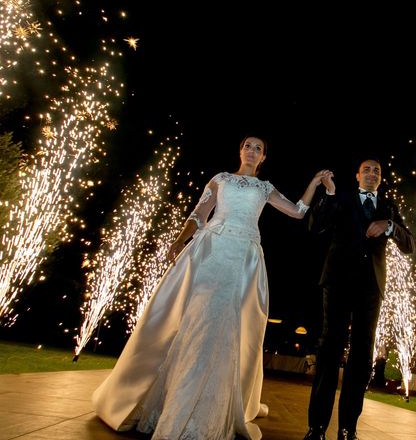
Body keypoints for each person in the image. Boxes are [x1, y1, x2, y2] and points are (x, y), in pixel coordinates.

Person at [92, 134, 332, 440]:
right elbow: (198, 214)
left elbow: (298, 211)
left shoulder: (264, 188)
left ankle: (209, 405)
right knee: (197, 320)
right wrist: (180, 239)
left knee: (225, 326)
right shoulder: (219, 180)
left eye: (258, 148)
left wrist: (313, 183)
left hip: (243, 260)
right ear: (240, 150)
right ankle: (174, 399)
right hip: (211, 251)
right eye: (248, 145)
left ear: (263, 158)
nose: (251, 151)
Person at [303, 157, 415, 440]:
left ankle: (347, 428)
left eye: (376, 171)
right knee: (329, 351)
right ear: (357, 176)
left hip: (370, 288)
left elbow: (409, 244)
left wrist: (389, 226)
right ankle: (316, 428)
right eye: (366, 169)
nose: (371, 173)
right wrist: (328, 193)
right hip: (338, 282)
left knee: (362, 357)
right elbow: (316, 226)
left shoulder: (389, 207)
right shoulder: (340, 198)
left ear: (380, 178)